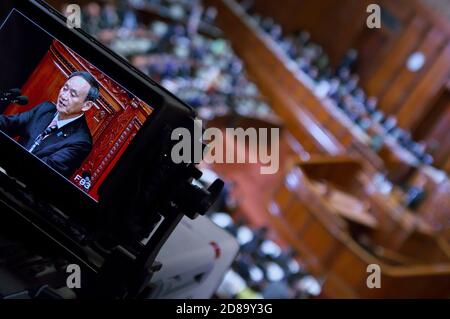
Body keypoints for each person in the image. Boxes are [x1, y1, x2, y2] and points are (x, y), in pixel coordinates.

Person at [0, 71, 99, 178]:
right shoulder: (45, 109)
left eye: (73, 94)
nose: (64, 96)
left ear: (86, 105)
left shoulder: (81, 142)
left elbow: (43, 171)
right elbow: (9, 124)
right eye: (65, 88)